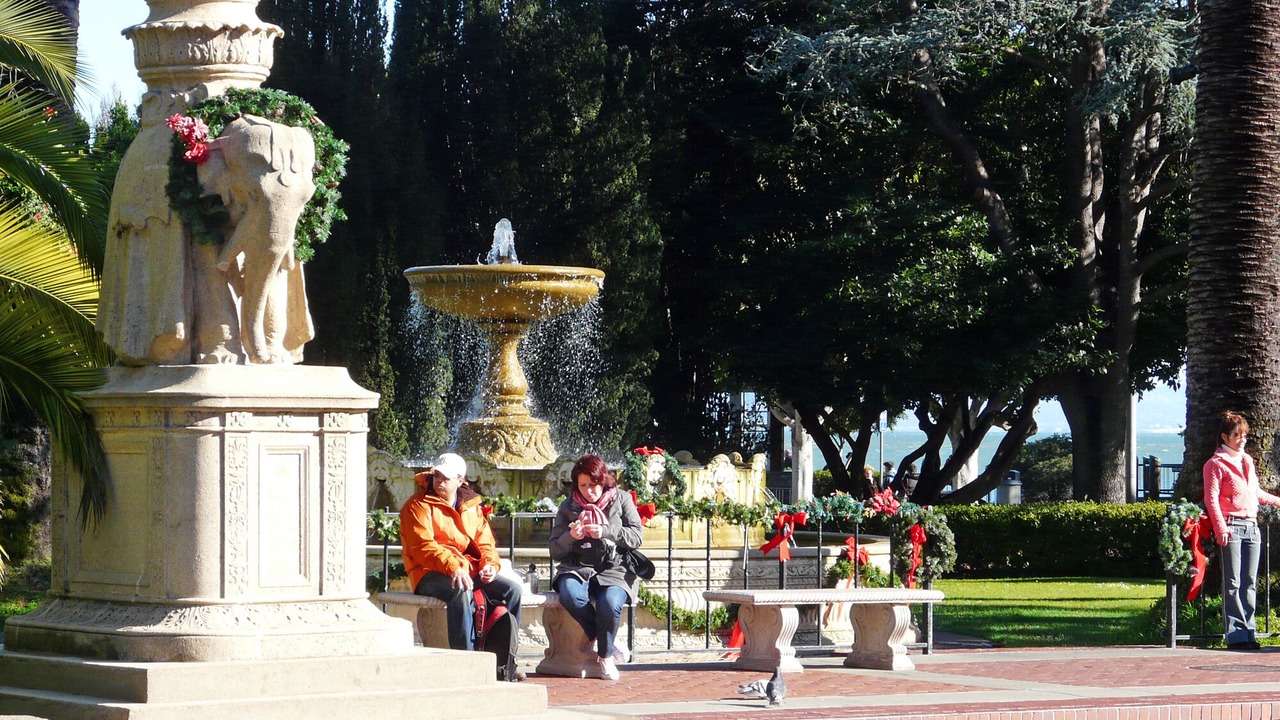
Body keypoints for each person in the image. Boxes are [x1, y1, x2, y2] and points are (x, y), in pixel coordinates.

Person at [399, 452, 524, 670]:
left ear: (460, 480)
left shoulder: (471, 506)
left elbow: (485, 542)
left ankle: (506, 663)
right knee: (460, 588)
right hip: (426, 572)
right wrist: (453, 567)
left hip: (467, 569)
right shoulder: (417, 505)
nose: (440, 481)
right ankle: (466, 663)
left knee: (512, 590)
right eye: (437, 476)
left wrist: (489, 565)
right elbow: (422, 547)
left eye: (446, 478)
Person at [548, 454, 644, 681]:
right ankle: (607, 641)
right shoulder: (568, 506)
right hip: (577, 567)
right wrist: (571, 536)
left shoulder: (621, 499)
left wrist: (606, 531)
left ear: (603, 480)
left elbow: (637, 537)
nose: (589, 491)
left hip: (615, 568)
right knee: (570, 595)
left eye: (593, 485)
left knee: (609, 603)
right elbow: (555, 550)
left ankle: (605, 657)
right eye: (583, 486)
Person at [1203, 411, 1280, 650]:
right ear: (1224, 437)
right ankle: (1236, 636)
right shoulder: (1215, 464)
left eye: (1244, 435)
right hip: (1232, 527)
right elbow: (1211, 499)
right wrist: (1221, 527)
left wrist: (1278, 501)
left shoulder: (1247, 461)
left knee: (1249, 582)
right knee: (1233, 582)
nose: (1241, 439)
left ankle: (1249, 633)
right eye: (1236, 435)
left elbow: (1255, 493)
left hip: (1252, 527)